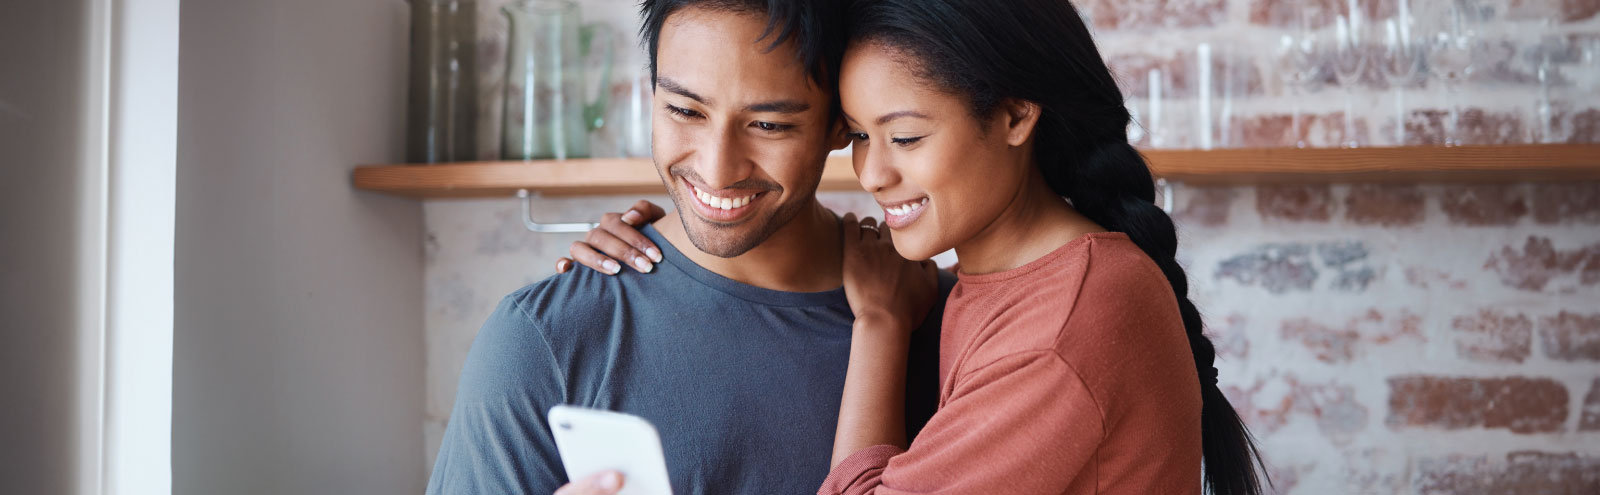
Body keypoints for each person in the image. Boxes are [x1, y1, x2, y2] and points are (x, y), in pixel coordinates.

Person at [561, 0, 1271, 493]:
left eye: (905, 137)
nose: (873, 173)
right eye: (862, 136)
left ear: (1017, 112)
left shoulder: (1064, 325)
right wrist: (672, 241)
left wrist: (879, 323)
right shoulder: (991, 283)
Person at [424, 1, 955, 494]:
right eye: (684, 111)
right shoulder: (542, 337)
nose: (717, 169)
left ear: (841, 124)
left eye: (768, 124)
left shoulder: (952, 323)